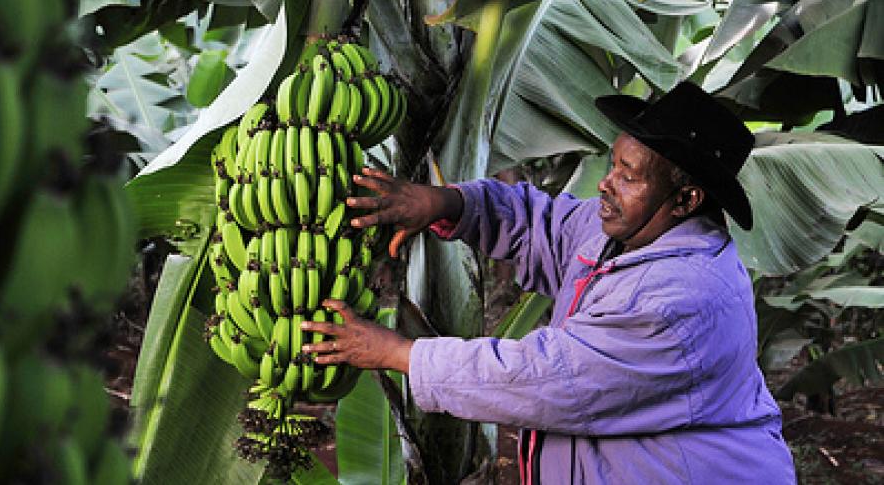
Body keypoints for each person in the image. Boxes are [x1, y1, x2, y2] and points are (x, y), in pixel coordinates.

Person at [300, 82, 796, 484]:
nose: (606, 182)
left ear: (685, 200)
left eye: (628, 175)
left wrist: (396, 354)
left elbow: (544, 378)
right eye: (612, 163)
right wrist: (444, 203)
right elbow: (540, 223)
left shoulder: (681, 300)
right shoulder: (628, 233)